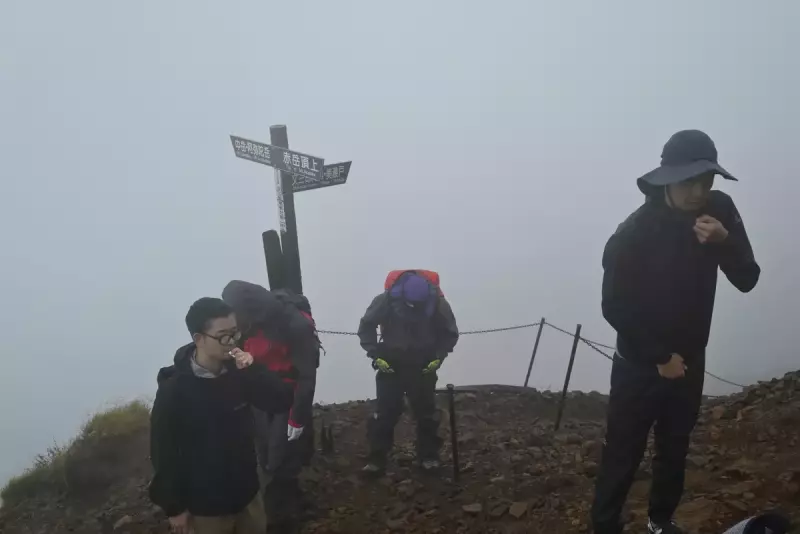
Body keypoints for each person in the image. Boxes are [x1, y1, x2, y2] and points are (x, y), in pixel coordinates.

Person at [591, 130, 761, 534]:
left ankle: (660, 520)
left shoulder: (719, 209)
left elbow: (748, 277)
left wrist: (724, 242)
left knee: (675, 447)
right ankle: (603, 526)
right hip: (639, 362)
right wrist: (660, 358)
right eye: (689, 181)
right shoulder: (633, 234)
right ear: (667, 177)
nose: (699, 191)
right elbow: (614, 306)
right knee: (623, 451)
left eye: (707, 180)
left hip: (691, 358)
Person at [149, 297, 294, 534]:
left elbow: (281, 400)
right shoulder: (174, 391)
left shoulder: (239, 373)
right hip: (205, 509)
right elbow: (163, 452)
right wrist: (174, 508)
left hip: (248, 496)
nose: (232, 342)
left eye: (236, 333)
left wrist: (254, 369)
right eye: (223, 336)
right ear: (199, 339)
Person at [222, 280, 321, 532]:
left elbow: (306, 375)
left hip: (287, 395)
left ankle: (280, 519)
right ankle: (291, 501)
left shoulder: (295, 324)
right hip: (259, 395)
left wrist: (297, 417)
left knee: (279, 456)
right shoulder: (244, 324)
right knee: (265, 453)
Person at [358, 270, 459, 475]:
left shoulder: (439, 304)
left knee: (426, 413)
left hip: (423, 365)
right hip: (390, 364)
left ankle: (428, 457)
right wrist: (375, 355)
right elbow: (366, 326)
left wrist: (438, 357)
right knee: (385, 413)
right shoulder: (385, 300)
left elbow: (449, 334)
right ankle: (377, 459)